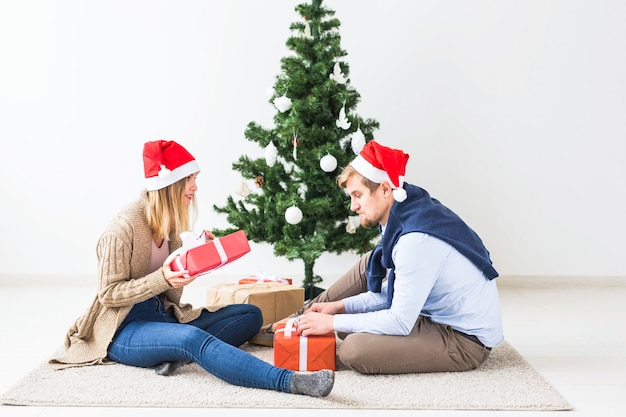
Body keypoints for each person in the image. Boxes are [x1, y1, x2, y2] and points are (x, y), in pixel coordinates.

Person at [48, 139, 334, 397]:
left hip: (164, 317)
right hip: (123, 328)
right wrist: (161, 278)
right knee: (194, 338)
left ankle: (174, 355)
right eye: (190, 179)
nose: (195, 187)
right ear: (170, 185)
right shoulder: (121, 229)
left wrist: (195, 258)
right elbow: (108, 294)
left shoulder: (171, 223)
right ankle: (291, 382)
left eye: (195, 179)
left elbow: (172, 286)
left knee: (250, 314)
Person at [257, 140, 503, 375]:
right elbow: (393, 292)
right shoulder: (404, 211)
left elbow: (399, 321)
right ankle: (300, 320)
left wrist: (333, 323)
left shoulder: (415, 241)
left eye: (358, 195)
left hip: (463, 340)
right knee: (369, 264)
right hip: (427, 315)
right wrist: (338, 308)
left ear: (385, 188)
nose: (353, 206)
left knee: (353, 349)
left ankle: (306, 329)